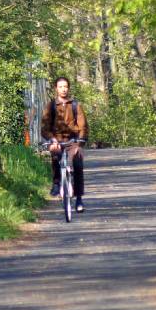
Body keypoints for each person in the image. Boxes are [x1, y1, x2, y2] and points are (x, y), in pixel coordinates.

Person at [40, 76, 89, 212]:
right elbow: (44, 127)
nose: (63, 89)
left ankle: (79, 198)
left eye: (65, 86)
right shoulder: (50, 106)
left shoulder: (75, 105)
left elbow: (83, 125)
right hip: (56, 140)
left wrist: (80, 142)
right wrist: (52, 139)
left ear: (69, 88)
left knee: (78, 162)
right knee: (55, 154)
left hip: (73, 140)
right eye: (60, 87)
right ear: (56, 88)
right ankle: (56, 184)